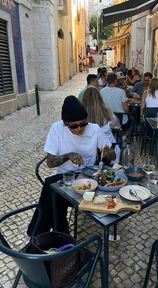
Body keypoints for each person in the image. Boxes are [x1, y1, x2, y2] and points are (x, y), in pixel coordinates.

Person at [27, 96, 115, 236]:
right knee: (53, 192)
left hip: (88, 177)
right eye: (73, 126)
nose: (79, 128)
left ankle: (41, 234)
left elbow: (112, 156)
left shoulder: (94, 129)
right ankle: (57, 236)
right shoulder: (57, 129)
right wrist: (68, 155)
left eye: (83, 124)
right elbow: (50, 163)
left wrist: (108, 153)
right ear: (65, 123)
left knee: (52, 193)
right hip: (65, 177)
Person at [82, 87, 121, 163]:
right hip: (109, 149)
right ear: (99, 97)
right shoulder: (106, 110)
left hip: (91, 150)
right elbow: (115, 124)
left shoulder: (81, 114)